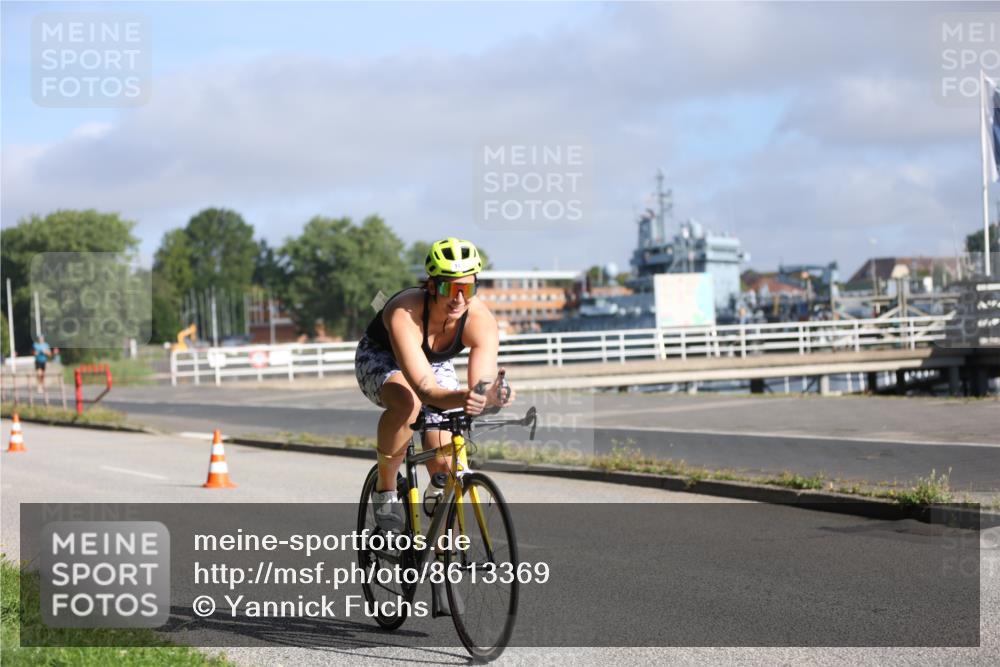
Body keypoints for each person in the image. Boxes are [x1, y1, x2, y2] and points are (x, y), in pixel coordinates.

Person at [355, 237, 513, 534]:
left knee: (445, 436)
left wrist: (489, 395)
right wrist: (464, 396)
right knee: (410, 404)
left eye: (466, 289)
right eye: (448, 288)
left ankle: (439, 504)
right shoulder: (405, 312)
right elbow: (427, 390)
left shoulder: (480, 321)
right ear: (430, 286)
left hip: (431, 361)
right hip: (382, 355)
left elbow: (480, 385)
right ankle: (385, 492)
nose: (458, 299)